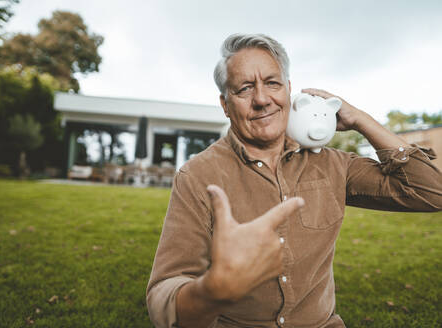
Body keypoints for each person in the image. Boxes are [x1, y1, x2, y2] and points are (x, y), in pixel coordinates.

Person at [146, 33, 442, 328]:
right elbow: (164, 291)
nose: (262, 99)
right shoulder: (198, 175)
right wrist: (211, 291)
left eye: (272, 83)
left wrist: (360, 120)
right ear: (225, 105)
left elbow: (431, 192)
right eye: (245, 88)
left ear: (288, 90)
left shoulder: (334, 165)